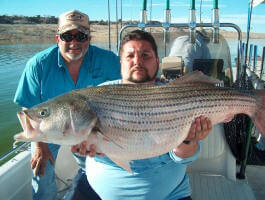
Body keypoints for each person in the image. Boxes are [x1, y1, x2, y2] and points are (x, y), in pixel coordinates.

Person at [73, 30, 212, 200]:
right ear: (121, 62)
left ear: (158, 62)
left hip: (170, 195)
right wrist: (80, 148)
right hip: (97, 193)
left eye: (145, 55)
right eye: (130, 56)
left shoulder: (177, 95)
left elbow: (184, 157)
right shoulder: (96, 96)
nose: (137, 61)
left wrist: (188, 139)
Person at [13, 10, 120, 200]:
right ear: (57, 38)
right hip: (47, 131)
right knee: (41, 172)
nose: (74, 42)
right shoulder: (37, 65)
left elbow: (129, 90)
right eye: (67, 36)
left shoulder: (109, 60)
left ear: (89, 38)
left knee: (101, 171)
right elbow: (29, 109)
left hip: (91, 128)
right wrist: (39, 145)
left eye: (81, 36)